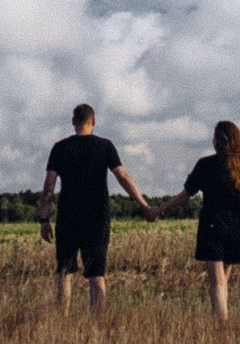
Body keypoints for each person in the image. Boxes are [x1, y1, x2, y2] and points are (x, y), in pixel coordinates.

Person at [39, 103, 157, 316]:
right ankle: (98, 323)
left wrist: (44, 219)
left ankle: (62, 322)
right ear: (93, 122)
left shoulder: (60, 148)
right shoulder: (105, 146)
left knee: (65, 271)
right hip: (97, 217)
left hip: (68, 217)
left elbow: (49, 187)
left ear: (73, 121)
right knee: (97, 273)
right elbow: (123, 177)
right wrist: (144, 205)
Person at [158, 119, 240, 321]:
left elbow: (185, 195)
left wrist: (160, 209)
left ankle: (220, 328)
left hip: (211, 226)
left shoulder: (205, 165)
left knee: (217, 283)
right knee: (223, 281)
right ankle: (220, 321)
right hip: (235, 228)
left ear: (217, 141)